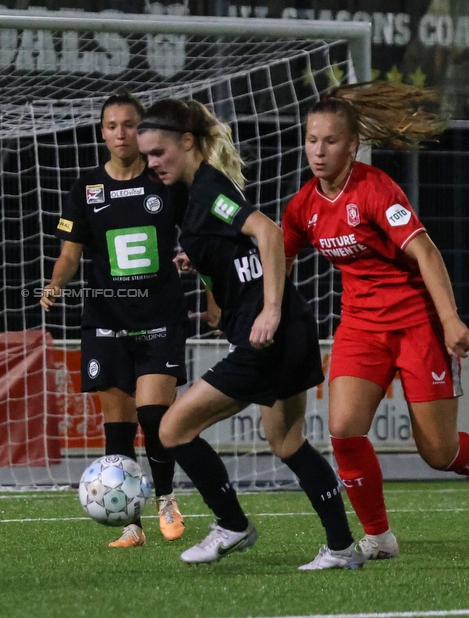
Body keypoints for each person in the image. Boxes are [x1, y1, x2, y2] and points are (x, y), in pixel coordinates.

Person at [282, 81, 469, 560]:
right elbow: (276, 259)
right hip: (360, 326)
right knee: (344, 428)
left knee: (439, 453)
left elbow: (426, 253)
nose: (318, 151)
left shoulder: (375, 189)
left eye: (330, 141)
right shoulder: (303, 206)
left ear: (352, 146)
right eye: (311, 140)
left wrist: (450, 321)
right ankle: (379, 536)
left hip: (417, 324)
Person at [137, 98, 364, 569]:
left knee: (173, 428)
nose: (152, 162)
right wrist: (199, 262)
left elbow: (269, 232)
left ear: (187, 142)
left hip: (270, 333)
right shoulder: (195, 196)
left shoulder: (208, 189)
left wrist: (271, 310)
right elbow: (239, 252)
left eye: (159, 152)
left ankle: (232, 524)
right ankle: (342, 547)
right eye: (147, 155)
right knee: (288, 443)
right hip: (285, 329)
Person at [41, 91, 188, 548]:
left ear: (143, 131)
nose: (121, 133)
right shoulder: (85, 188)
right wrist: (54, 285)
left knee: (153, 415)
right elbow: (70, 253)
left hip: (159, 314)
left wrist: (198, 268)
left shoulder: (165, 180)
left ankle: (166, 498)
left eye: (130, 125)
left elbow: (200, 234)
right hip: (105, 317)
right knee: (118, 422)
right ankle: (131, 524)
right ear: (102, 132)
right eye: (112, 125)